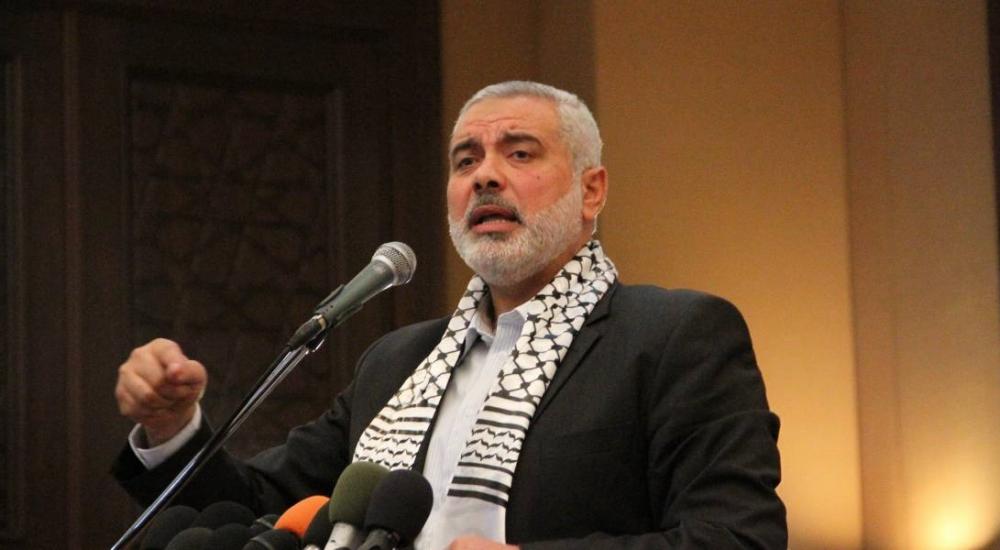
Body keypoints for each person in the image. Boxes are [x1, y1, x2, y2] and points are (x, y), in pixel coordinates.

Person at [113, 81, 786, 549]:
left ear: (592, 190)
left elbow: (737, 538)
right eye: (466, 160)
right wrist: (172, 429)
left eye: (519, 153)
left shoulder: (673, 336)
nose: (485, 176)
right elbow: (251, 511)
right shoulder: (398, 362)